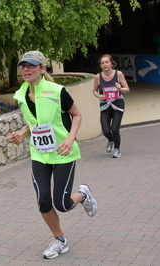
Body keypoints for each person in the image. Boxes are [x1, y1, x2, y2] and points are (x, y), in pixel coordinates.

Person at [10, 51, 97, 259]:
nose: (26, 70)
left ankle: (83, 195)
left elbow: (76, 115)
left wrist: (69, 140)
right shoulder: (21, 94)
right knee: (43, 201)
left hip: (62, 154)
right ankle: (60, 240)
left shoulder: (58, 91)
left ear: (42, 69)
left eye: (32, 66)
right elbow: (35, 121)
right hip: (39, 154)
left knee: (63, 204)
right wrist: (21, 133)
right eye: (24, 66)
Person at [93, 54, 130, 158]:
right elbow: (94, 90)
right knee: (105, 130)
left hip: (117, 104)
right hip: (105, 105)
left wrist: (120, 89)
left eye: (107, 62)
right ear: (100, 65)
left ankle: (117, 149)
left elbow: (127, 89)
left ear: (111, 63)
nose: (105, 64)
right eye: (102, 63)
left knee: (114, 129)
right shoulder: (98, 77)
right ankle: (110, 140)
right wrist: (98, 96)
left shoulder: (118, 74)